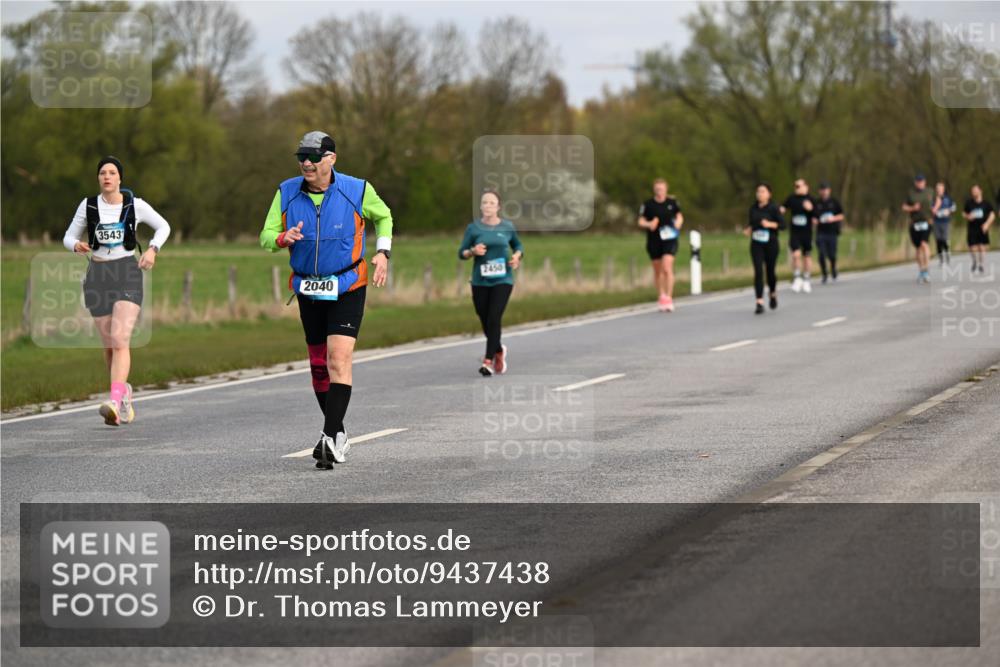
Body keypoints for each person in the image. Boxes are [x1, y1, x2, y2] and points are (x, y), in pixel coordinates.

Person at [259, 131, 393, 470]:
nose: (306, 163)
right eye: (302, 157)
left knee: (338, 358)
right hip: (308, 289)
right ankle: (338, 433)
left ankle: (329, 435)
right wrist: (281, 237)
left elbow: (384, 216)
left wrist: (383, 252)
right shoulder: (286, 192)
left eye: (314, 157)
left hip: (348, 284)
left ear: (331, 159)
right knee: (319, 366)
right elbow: (265, 236)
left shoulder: (357, 189)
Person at [62, 156, 171, 426]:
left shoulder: (136, 205)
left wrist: (153, 250)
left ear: (120, 178)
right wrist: (75, 245)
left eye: (112, 173)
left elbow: (164, 226)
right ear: (98, 178)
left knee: (120, 339)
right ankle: (123, 393)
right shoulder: (88, 205)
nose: (107, 177)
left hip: (126, 272)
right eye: (103, 173)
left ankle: (113, 400)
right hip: (97, 275)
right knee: (109, 344)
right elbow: (68, 236)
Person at [459, 189, 524, 376]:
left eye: (492, 203)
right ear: (480, 206)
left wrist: (517, 257)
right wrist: (473, 251)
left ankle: (488, 361)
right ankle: (498, 350)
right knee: (485, 318)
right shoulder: (473, 228)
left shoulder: (507, 227)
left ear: (498, 207)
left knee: (494, 317)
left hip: (503, 279)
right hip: (480, 281)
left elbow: (518, 245)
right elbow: (462, 253)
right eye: (484, 202)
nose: (487, 206)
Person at [637, 178, 684, 312]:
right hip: (654, 240)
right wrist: (649, 224)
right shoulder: (648, 205)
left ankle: (669, 297)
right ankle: (661, 296)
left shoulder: (672, 203)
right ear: (654, 190)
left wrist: (678, 223)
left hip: (669, 238)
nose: (659, 191)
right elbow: (640, 221)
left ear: (666, 189)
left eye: (662, 189)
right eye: (657, 189)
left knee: (667, 267)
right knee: (658, 270)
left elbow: (679, 216)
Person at [745, 183, 785, 314]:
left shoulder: (774, 208)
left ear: (769, 194)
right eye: (758, 191)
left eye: (763, 191)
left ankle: (772, 293)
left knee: (770, 272)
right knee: (758, 271)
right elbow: (752, 224)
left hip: (771, 243)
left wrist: (770, 224)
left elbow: (783, 225)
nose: (759, 194)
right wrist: (749, 229)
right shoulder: (753, 208)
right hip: (756, 243)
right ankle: (759, 301)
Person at [781, 178, 815, 293]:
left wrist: (811, 209)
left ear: (806, 187)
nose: (796, 188)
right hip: (795, 232)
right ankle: (797, 277)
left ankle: (806, 279)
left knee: (807, 256)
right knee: (795, 254)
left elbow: (817, 215)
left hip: (807, 233)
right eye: (795, 186)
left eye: (798, 186)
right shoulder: (792, 198)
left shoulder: (811, 199)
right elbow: (783, 208)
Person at [901, 173, 934, 283]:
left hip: (927, 222)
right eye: (918, 182)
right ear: (915, 183)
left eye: (922, 181)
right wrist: (912, 208)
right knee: (918, 248)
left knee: (924, 244)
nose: (920, 183)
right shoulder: (911, 193)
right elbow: (904, 207)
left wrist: (935, 210)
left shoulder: (930, 191)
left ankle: (926, 269)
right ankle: (921, 271)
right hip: (914, 223)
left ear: (925, 182)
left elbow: (938, 201)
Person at [813, 182, 845, 284]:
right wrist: (814, 221)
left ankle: (833, 268)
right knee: (821, 254)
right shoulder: (817, 203)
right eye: (822, 190)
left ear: (829, 190)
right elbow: (813, 216)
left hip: (832, 232)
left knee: (832, 255)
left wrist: (833, 218)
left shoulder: (834, 202)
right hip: (821, 232)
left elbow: (841, 215)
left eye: (826, 189)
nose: (824, 192)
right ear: (819, 191)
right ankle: (824, 273)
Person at [963, 184, 995, 274]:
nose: (974, 192)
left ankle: (981, 264)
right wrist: (968, 217)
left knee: (982, 246)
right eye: (972, 191)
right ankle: (975, 261)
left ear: (980, 191)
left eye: (975, 190)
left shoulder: (986, 203)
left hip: (982, 227)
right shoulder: (969, 203)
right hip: (972, 227)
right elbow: (964, 213)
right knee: (972, 246)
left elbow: (992, 215)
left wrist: (987, 224)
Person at [932, 181, 956, 265]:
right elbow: (931, 210)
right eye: (937, 189)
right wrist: (937, 205)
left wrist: (949, 211)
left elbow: (954, 207)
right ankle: (941, 259)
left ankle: (947, 253)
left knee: (945, 239)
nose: (939, 190)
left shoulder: (948, 198)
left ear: (943, 189)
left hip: (946, 222)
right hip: (936, 222)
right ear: (936, 190)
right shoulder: (933, 199)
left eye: (940, 188)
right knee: (938, 240)